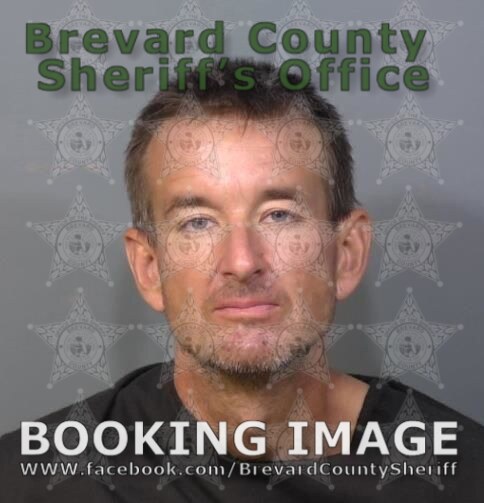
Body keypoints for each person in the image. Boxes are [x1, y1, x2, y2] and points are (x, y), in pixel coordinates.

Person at [1, 60, 483, 502]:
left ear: (346, 254)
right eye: (197, 222)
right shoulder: (32, 482)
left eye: (279, 215)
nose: (242, 261)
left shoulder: (464, 477)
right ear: (148, 267)